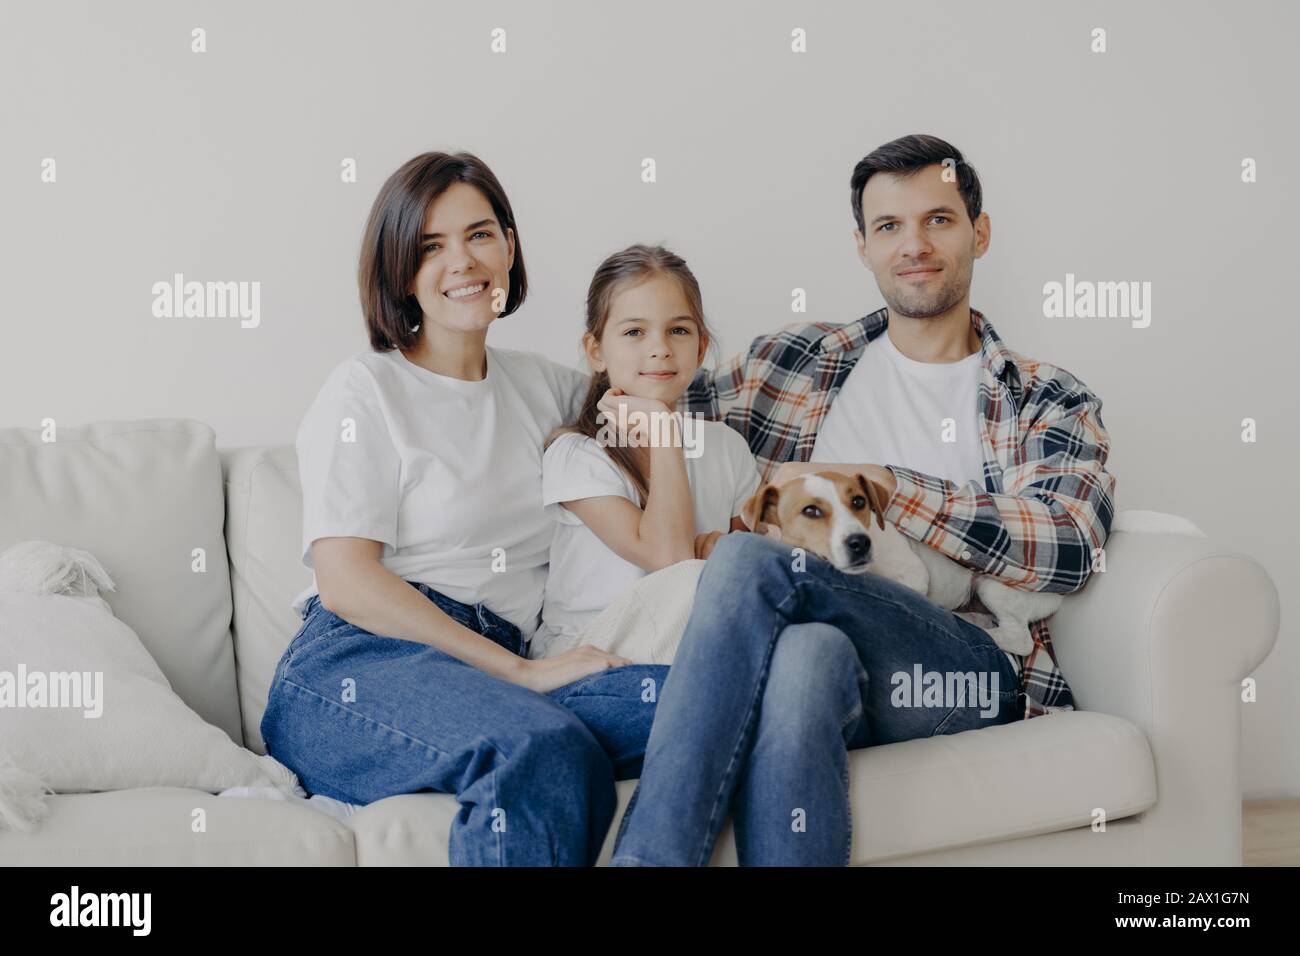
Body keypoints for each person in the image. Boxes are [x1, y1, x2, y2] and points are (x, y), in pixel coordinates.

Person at [609, 134, 1118, 866]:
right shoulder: (789, 364)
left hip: (959, 671)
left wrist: (882, 485)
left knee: (756, 560)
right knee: (808, 655)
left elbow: (1069, 543)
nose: (913, 244)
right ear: (862, 245)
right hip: (828, 665)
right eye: (889, 227)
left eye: (938, 220)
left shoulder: (1043, 396)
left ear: (980, 231)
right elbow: (639, 378)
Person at [259, 151, 666, 866]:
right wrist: (520, 676)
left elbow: (658, 379)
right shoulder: (364, 390)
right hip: (359, 666)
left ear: (509, 245)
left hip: (504, 675)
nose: (463, 262)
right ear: (400, 271)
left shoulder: (546, 388)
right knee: (542, 749)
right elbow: (347, 582)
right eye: (430, 246)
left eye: (480, 235)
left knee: (716, 697)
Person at [533, 244, 761, 662]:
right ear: (596, 350)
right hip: (592, 650)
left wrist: (727, 553)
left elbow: (749, 573)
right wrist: (663, 432)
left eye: (678, 330)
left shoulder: (727, 446)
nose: (659, 348)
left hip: (692, 643)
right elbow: (671, 564)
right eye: (634, 332)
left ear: (700, 345)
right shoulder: (576, 455)